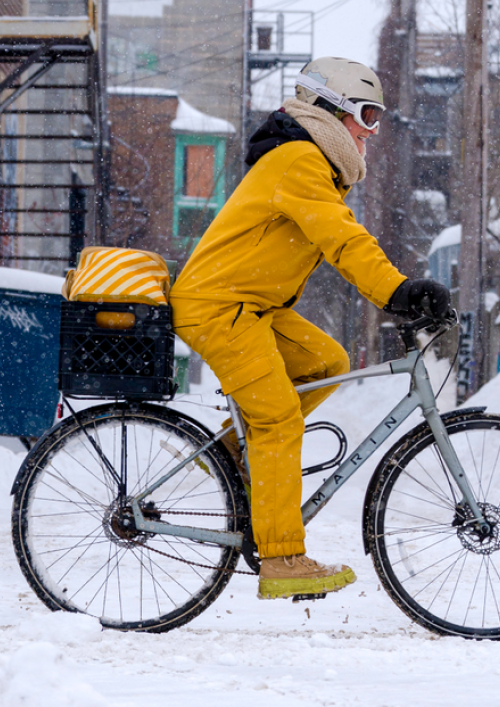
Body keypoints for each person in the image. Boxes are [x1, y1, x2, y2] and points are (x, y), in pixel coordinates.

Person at [170, 57, 451, 600]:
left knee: (327, 364)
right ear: (331, 110)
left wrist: (395, 291)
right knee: (276, 420)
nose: (371, 132)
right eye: (366, 116)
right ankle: (281, 559)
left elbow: (338, 236)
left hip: (253, 306)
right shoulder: (299, 159)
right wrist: (398, 292)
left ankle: (229, 453)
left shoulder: (308, 162)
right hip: (221, 306)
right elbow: (342, 239)